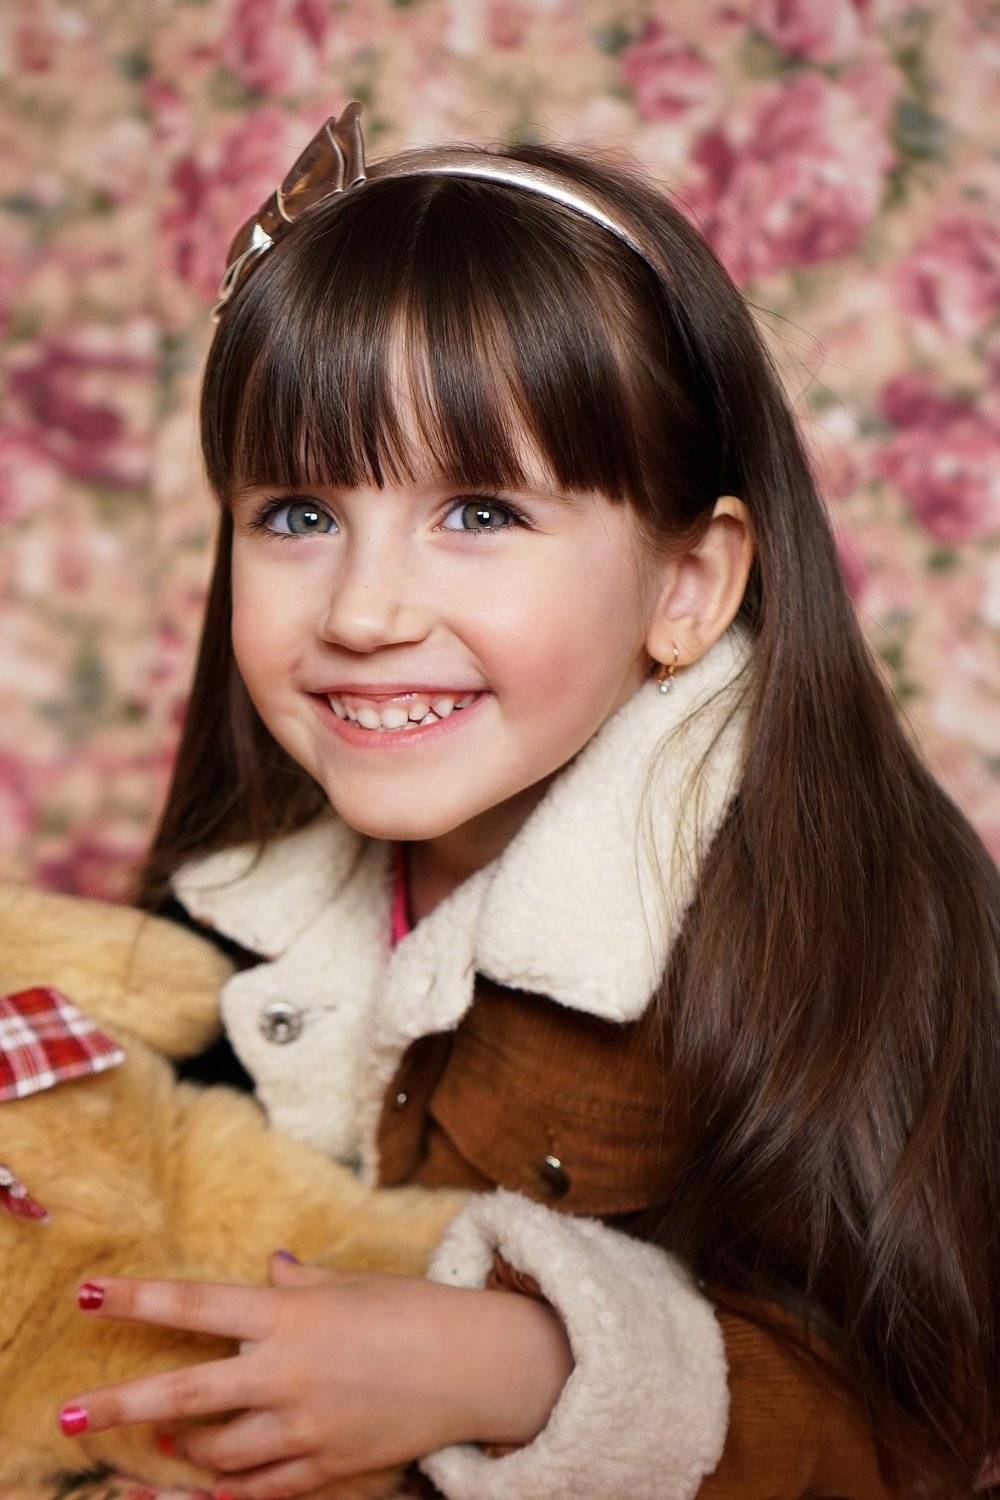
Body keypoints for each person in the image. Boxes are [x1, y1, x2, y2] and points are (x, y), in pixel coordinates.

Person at [58, 104, 999, 1499]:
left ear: (686, 586)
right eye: (299, 515)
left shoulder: (844, 926)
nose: (364, 611)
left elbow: (924, 1428)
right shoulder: (225, 924)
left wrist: (527, 1368)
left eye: (482, 512)